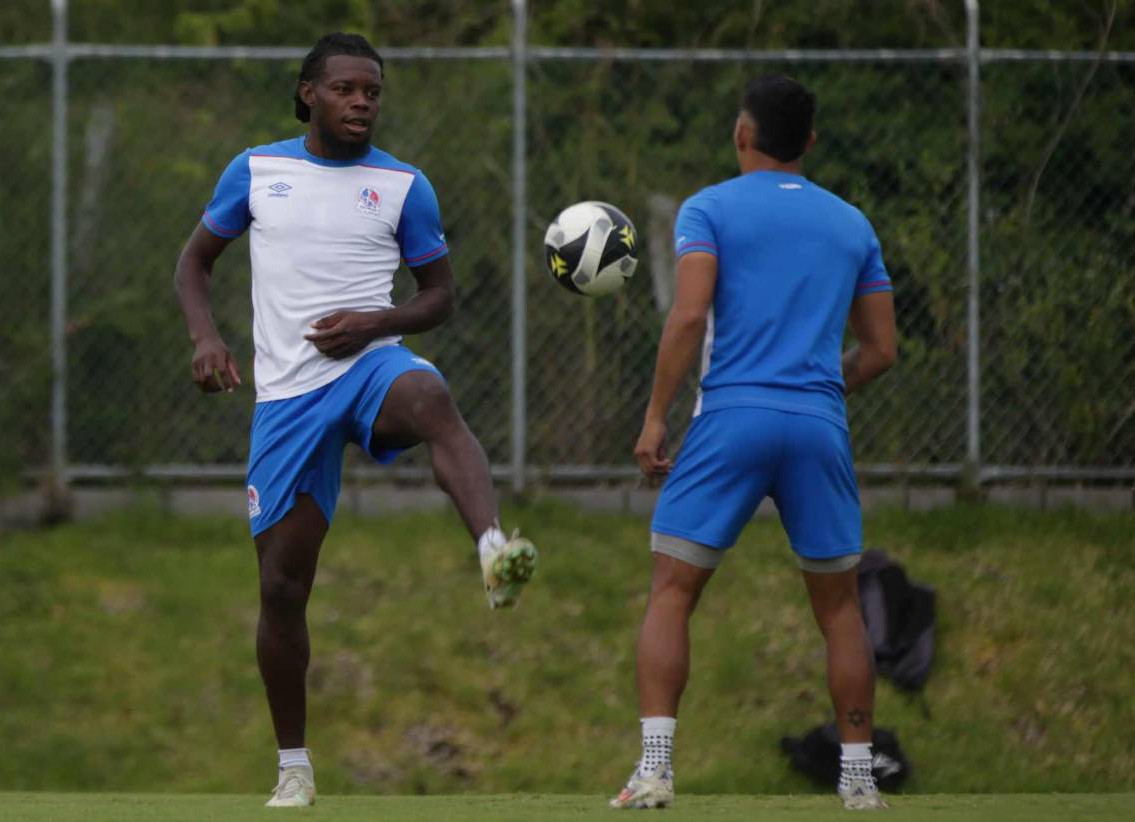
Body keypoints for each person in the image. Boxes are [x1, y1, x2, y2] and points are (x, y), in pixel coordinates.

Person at [173, 32, 537, 808]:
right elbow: (193, 262)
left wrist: (374, 323)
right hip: (288, 399)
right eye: (345, 89)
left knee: (432, 399)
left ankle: (492, 547)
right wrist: (205, 338)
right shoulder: (255, 170)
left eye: (372, 91)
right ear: (308, 93)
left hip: (371, 368)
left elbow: (439, 297)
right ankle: (294, 767)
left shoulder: (404, 186)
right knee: (281, 588)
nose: (361, 102)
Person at [610, 74, 897, 811]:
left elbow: (688, 316)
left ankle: (655, 771)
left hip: (731, 418)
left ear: (742, 134)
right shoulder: (852, 224)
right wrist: (817, 389)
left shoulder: (709, 208)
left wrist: (655, 416)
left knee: (672, 592)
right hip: (818, 425)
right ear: (809, 142)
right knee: (840, 608)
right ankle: (859, 779)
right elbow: (881, 350)